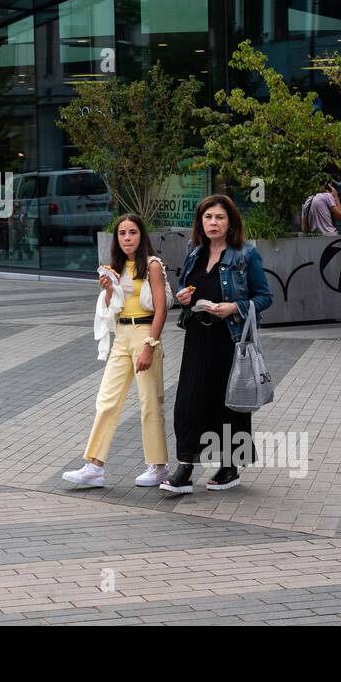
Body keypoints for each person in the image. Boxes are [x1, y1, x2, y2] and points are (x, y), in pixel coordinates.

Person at [159, 194, 273, 494]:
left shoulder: (245, 255)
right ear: (201, 222)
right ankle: (185, 466)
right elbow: (187, 285)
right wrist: (183, 295)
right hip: (198, 336)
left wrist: (233, 308)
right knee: (189, 400)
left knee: (230, 403)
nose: (213, 223)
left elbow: (265, 297)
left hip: (230, 339)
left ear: (230, 222)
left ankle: (230, 467)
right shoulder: (194, 251)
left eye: (219, 217)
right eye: (208, 217)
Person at [63, 214, 170, 489]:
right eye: (122, 234)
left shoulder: (153, 266)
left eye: (132, 233)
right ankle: (94, 466)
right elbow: (114, 308)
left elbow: (161, 309)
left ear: (141, 235)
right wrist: (109, 290)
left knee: (149, 403)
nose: (127, 238)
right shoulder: (115, 268)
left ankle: (158, 466)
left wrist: (150, 346)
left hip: (145, 334)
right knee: (107, 400)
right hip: (121, 336)